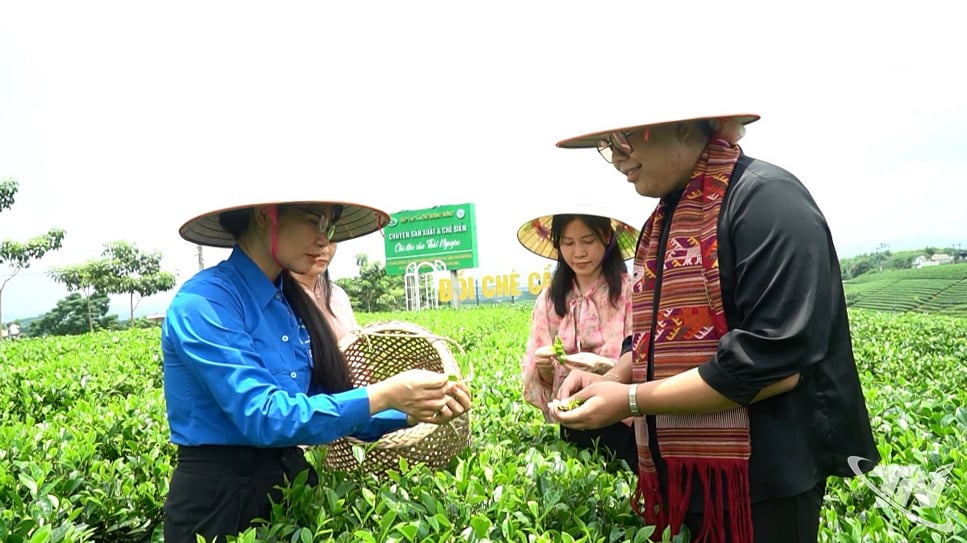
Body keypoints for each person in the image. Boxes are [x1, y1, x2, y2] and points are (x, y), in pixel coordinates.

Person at [550, 110, 880, 542]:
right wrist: (609, 379)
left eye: (624, 139)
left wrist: (628, 400)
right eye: (607, 145)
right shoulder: (664, 220)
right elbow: (651, 337)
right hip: (686, 476)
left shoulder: (767, 202)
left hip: (764, 479)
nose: (616, 157)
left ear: (683, 124)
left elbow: (771, 363)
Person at [162, 197, 472, 542]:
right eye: (314, 221)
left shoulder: (286, 303)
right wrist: (384, 394)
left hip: (289, 486)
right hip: (219, 503)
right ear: (266, 215)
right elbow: (263, 415)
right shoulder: (205, 302)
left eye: (329, 226)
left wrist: (412, 412)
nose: (324, 240)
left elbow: (311, 403)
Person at [516, 210, 640, 470]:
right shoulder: (550, 299)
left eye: (588, 241)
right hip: (572, 420)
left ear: (607, 237)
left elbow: (643, 359)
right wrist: (547, 369)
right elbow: (541, 381)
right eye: (568, 243)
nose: (578, 253)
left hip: (624, 421)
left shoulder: (631, 292)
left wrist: (601, 365)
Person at [290, 207, 358, 342]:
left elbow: (357, 348)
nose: (324, 248)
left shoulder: (338, 295)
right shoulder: (278, 295)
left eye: (331, 236)